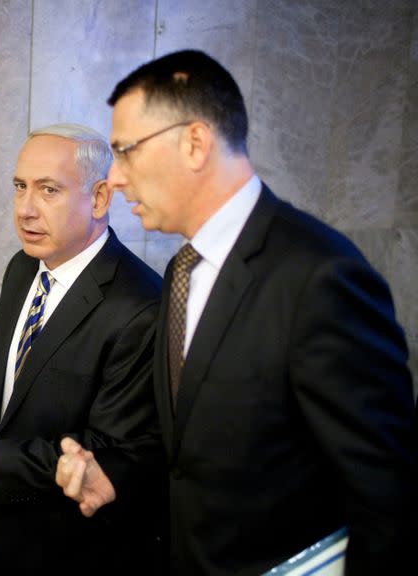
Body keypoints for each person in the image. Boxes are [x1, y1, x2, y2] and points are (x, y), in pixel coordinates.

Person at [56, 50, 416, 575]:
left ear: (196, 143)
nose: (115, 179)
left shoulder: (320, 276)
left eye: (126, 151)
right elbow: (188, 451)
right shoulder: (181, 270)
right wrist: (116, 477)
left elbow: (387, 495)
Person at [0, 123, 165, 575]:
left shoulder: (141, 307)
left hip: (74, 551)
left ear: (100, 198)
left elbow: (112, 452)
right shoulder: (24, 266)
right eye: (20, 187)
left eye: (48, 190)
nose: (25, 210)